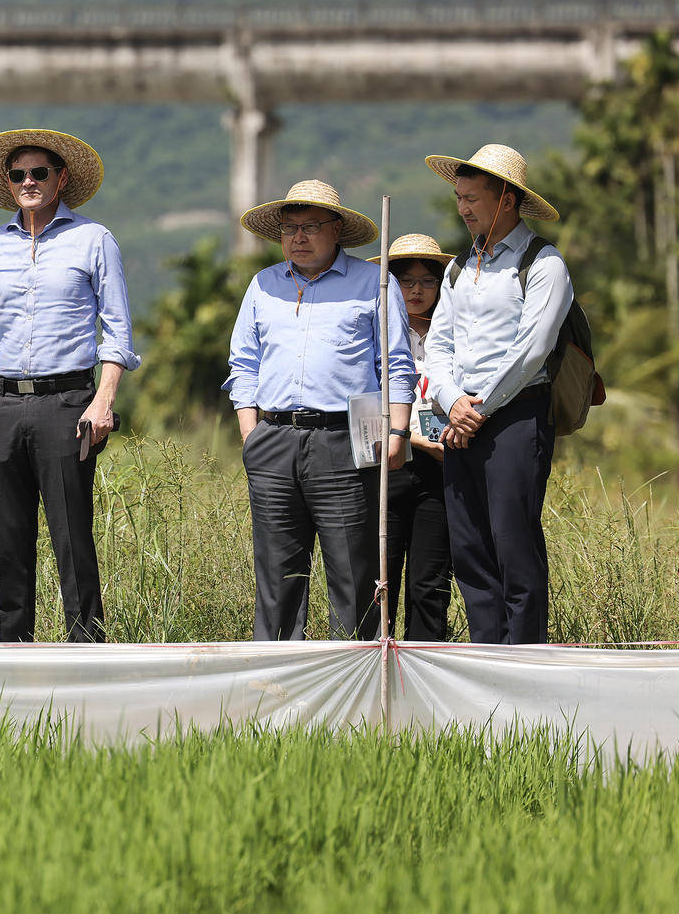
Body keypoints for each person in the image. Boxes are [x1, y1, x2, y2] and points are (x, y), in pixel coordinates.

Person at [0, 129, 138, 643]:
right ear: (8, 185)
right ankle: (14, 654)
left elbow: (117, 331)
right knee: (8, 538)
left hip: (68, 402)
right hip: (1, 402)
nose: (28, 182)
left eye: (39, 173)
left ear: (61, 179)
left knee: (72, 536)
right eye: (18, 175)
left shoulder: (94, 239)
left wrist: (104, 401)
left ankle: (87, 652)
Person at [225, 180, 417, 641]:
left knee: (353, 566)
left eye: (310, 226)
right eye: (289, 228)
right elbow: (243, 363)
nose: (299, 237)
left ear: (337, 230)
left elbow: (395, 364)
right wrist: (251, 434)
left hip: (348, 436)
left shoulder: (374, 282)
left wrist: (397, 432)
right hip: (274, 436)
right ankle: (276, 682)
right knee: (277, 569)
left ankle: (355, 682)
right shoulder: (264, 284)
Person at [423, 144, 571, 645]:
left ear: (506, 198)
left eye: (472, 198)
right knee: (470, 551)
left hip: (513, 418)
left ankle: (524, 664)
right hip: (460, 416)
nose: (462, 208)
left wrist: (477, 408)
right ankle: (488, 661)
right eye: (459, 198)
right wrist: (453, 401)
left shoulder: (544, 263)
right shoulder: (459, 267)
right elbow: (439, 345)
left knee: (514, 546)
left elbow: (531, 351)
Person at [372, 234, 454, 640]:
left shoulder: (455, 337)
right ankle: (372, 670)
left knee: (430, 582)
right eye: (406, 281)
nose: (417, 290)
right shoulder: (374, 335)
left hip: (440, 470)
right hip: (388, 465)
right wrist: (408, 439)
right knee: (379, 579)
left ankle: (425, 676)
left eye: (427, 281)